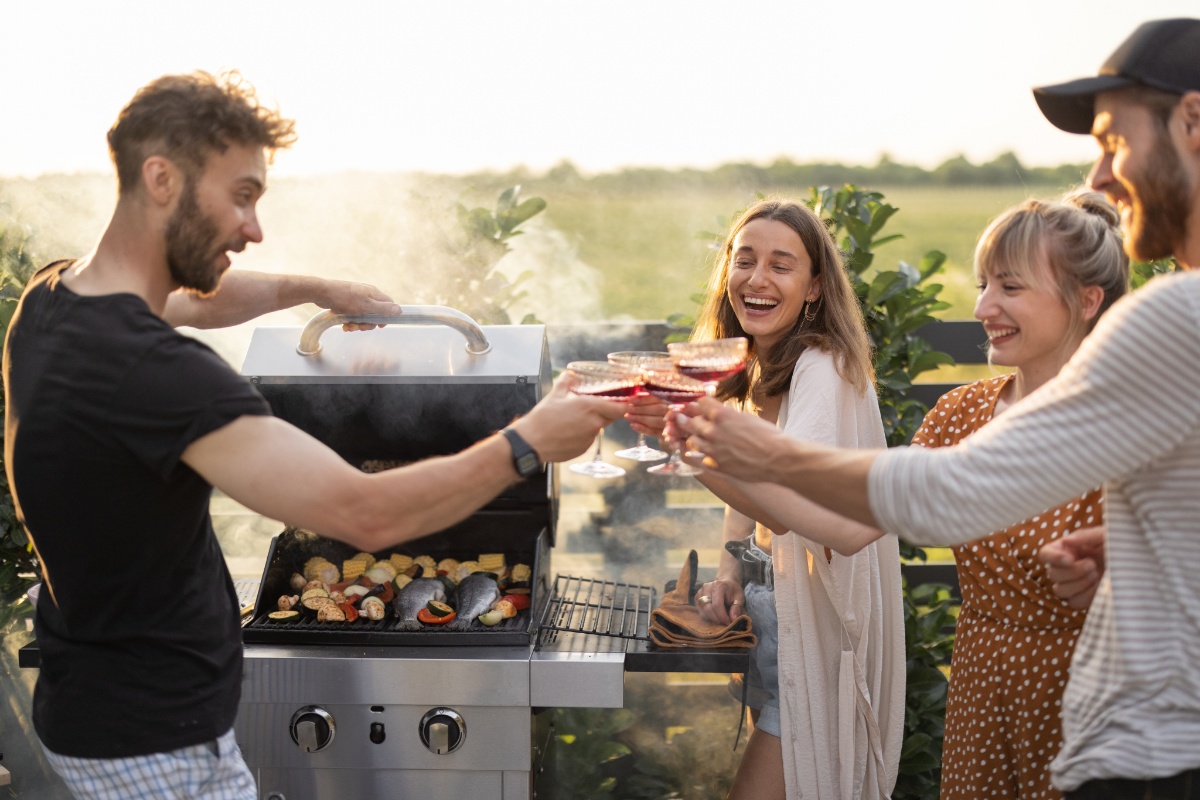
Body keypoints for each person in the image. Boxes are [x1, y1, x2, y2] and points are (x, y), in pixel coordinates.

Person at [2, 70, 625, 800]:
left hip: (92, 704)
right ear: (161, 178)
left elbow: (191, 300)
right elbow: (364, 514)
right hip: (160, 750)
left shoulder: (54, 300)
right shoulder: (160, 375)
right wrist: (527, 442)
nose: (254, 228)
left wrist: (311, 289)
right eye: (241, 195)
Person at [673, 17, 1200, 799]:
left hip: (1156, 753)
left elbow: (950, 493)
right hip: (1036, 718)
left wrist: (758, 452)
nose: (1099, 175)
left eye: (1114, 142)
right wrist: (1141, 559)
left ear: (1192, 121)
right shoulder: (986, 400)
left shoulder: (1175, 316)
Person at [630, 199, 904, 800]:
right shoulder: (762, 363)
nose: (757, 279)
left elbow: (785, 503)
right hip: (773, 618)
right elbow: (751, 497)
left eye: (782, 265)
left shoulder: (820, 367)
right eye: (745, 260)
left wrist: (686, 447)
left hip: (816, 635)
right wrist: (730, 571)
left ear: (815, 286)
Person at [909, 190, 1127, 800]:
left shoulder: (1135, 424)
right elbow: (851, 526)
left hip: (1088, 695)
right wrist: (715, 455)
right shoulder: (960, 413)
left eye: (1009, 287)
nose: (983, 307)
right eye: (983, 285)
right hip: (980, 688)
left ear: (1086, 300)